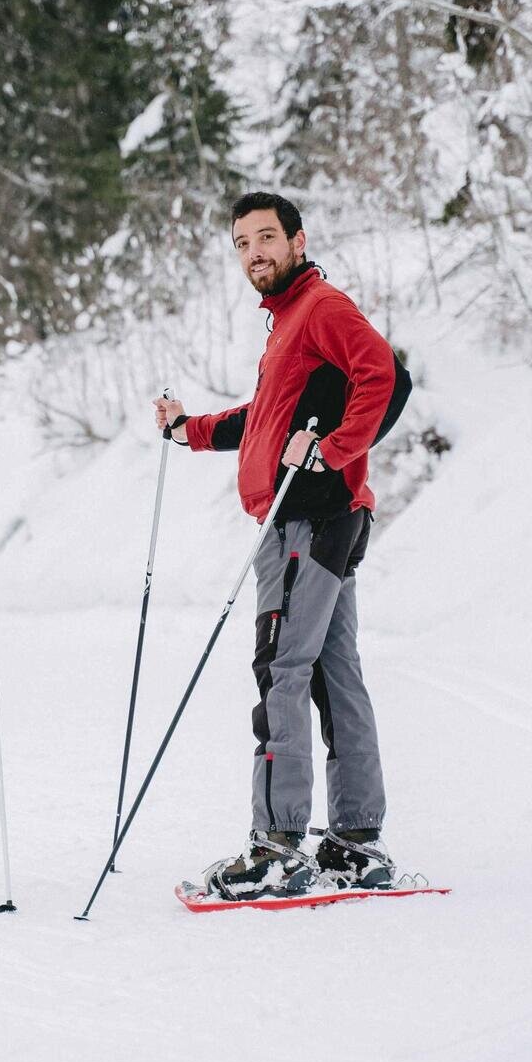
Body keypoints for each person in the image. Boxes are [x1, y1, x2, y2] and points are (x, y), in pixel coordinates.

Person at [155, 192, 402, 899]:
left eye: (266, 237)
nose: (254, 252)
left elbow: (382, 374)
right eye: (242, 242)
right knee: (330, 673)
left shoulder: (322, 308)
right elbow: (263, 420)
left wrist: (331, 451)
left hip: (307, 520)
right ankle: (356, 842)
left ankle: (277, 846)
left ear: (298, 240)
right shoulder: (287, 323)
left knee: (280, 671)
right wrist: (189, 429)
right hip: (318, 518)